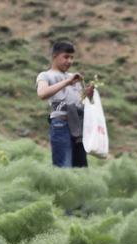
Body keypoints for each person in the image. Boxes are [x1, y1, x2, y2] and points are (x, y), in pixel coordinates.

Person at [36, 40, 94, 168]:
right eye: (66, 57)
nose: (69, 61)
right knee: (63, 167)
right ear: (55, 56)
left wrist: (88, 94)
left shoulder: (74, 77)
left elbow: (79, 102)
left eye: (72, 58)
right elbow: (42, 93)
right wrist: (67, 82)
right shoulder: (45, 75)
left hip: (78, 126)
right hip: (60, 125)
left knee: (81, 169)